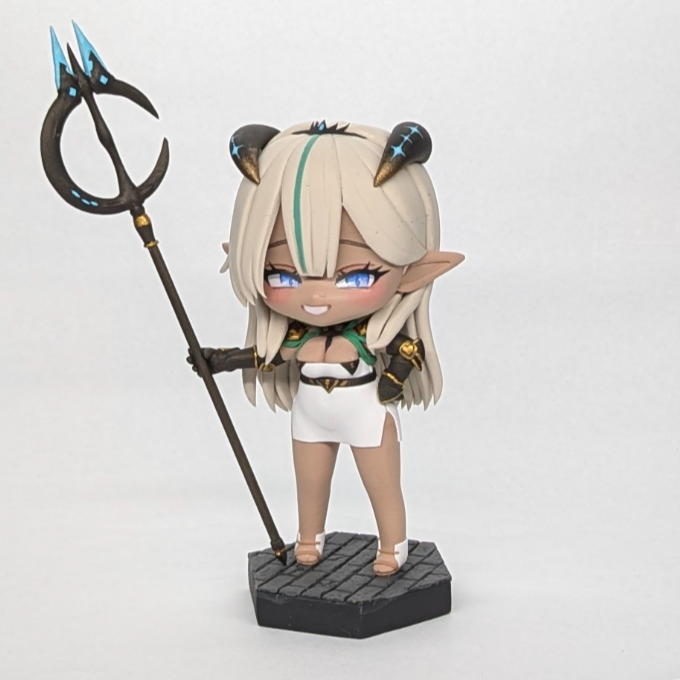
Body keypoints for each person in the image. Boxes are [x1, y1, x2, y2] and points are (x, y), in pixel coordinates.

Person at [188, 120, 464, 576]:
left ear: (413, 269)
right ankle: (308, 540)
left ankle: (393, 545)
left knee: (381, 486)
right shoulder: (300, 337)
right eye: (282, 274)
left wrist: (394, 377)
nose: (316, 296)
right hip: (311, 411)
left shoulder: (370, 334)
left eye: (356, 276)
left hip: (365, 410)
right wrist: (218, 361)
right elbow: (266, 357)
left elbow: (406, 352)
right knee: (310, 484)